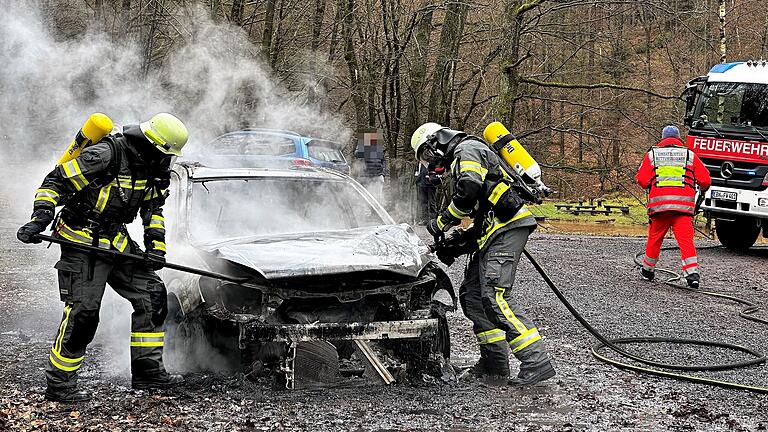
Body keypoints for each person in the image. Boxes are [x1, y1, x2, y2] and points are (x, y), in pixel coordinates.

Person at [16, 113, 188, 402]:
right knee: (84, 313)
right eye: (164, 153)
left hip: (115, 241)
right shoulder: (106, 154)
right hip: (80, 239)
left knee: (153, 295)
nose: (166, 160)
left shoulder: (154, 168)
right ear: (150, 143)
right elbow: (55, 182)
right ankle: (60, 384)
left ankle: (148, 373)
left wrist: (156, 247)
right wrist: (41, 218)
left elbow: (153, 211)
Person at [410, 122, 555, 386]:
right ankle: (494, 364)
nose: (430, 163)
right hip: (494, 231)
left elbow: (469, 189)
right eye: (424, 159)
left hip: (508, 228)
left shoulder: (468, 149)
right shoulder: (462, 156)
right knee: (473, 296)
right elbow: (481, 220)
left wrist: (442, 222)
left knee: (495, 296)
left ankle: (536, 362)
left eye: (428, 154)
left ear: (437, 141)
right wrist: (455, 243)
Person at [635, 125, 711, 288]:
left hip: (660, 208)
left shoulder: (652, 155)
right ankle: (692, 275)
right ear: (678, 139)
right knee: (685, 241)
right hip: (682, 209)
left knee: (655, 238)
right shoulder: (689, 155)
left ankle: (648, 270)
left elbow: (642, 180)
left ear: (663, 138)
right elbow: (705, 181)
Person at [354, 128, 386, 203]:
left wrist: (383, 174)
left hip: (377, 177)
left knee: (377, 200)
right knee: (365, 199)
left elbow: (383, 161)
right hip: (365, 177)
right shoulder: (362, 146)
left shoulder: (378, 147)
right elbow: (356, 154)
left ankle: (375, 214)